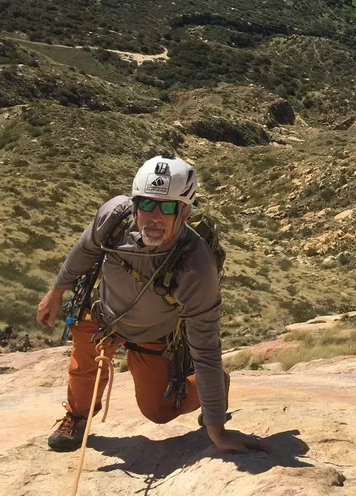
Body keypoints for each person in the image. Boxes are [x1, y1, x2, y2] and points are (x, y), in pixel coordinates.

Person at [37, 155, 270, 455]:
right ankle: (77, 416)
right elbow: (85, 249)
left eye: (168, 207)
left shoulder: (196, 266)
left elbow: (206, 349)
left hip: (154, 332)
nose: (154, 216)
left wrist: (217, 431)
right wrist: (56, 291)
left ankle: (211, 386)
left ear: (184, 212)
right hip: (104, 315)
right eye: (146, 204)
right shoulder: (114, 217)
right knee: (84, 367)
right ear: (134, 203)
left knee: (159, 412)